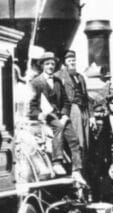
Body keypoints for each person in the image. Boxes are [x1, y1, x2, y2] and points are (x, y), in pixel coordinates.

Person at [28, 52, 83, 180]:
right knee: (58, 127)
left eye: (52, 64)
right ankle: (57, 162)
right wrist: (39, 114)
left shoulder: (58, 82)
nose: (50, 66)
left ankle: (77, 169)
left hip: (60, 115)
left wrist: (64, 116)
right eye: (47, 64)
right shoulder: (36, 83)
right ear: (42, 66)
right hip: (47, 116)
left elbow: (66, 101)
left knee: (74, 138)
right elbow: (32, 105)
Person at [56, 50, 90, 161]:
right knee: (77, 138)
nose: (72, 62)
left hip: (83, 109)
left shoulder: (80, 77)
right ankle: (76, 164)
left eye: (73, 60)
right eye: (69, 60)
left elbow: (86, 96)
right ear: (65, 62)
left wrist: (92, 115)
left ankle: (84, 163)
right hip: (71, 109)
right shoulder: (59, 76)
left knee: (86, 139)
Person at [87, 104, 113, 201]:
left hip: (104, 155)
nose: (99, 114)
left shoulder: (107, 123)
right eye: (97, 112)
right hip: (93, 156)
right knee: (94, 178)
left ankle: (106, 198)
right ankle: (95, 198)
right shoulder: (90, 123)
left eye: (101, 112)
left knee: (105, 178)